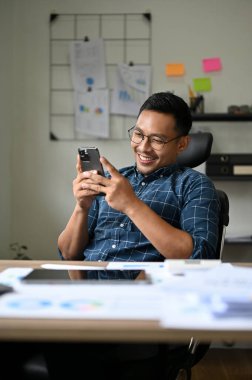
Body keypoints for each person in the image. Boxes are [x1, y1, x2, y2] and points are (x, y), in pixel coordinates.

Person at [44, 91, 220, 379]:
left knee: (69, 352)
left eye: (157, 139)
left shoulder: (194, 186)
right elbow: (68, 253)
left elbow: (199, 256)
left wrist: (131, 205)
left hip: (146, 311)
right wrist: (82, 207)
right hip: (87, 303)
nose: (143, 147)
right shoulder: (113, 180)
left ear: (183, 143)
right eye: (138, 134)